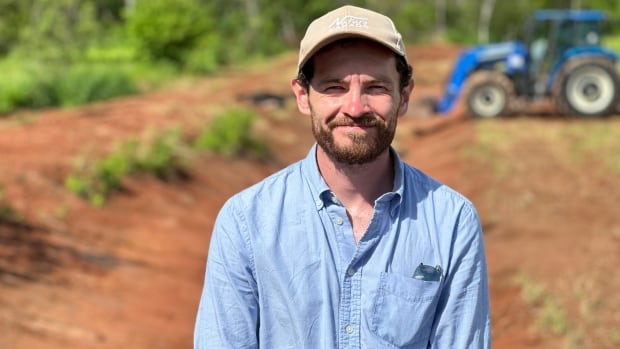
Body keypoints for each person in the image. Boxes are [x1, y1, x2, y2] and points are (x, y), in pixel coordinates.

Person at [194, 5, 491, 348]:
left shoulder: (452, 222)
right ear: (303, 96)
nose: (355, 107)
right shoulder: (246, 221)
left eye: (376, 87)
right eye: (334, 87)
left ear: (404, 96)